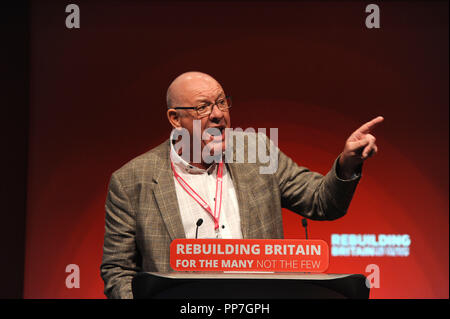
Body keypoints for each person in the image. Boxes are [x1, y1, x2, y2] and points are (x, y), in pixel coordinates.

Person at [100, 71, 383, 299]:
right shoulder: (130, 181)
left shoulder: (257, 153)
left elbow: (322, 202)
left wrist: (347, 164)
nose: (217, 114)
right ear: (175, 118)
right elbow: (118, 270)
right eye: (202, 107)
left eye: (222, 102)